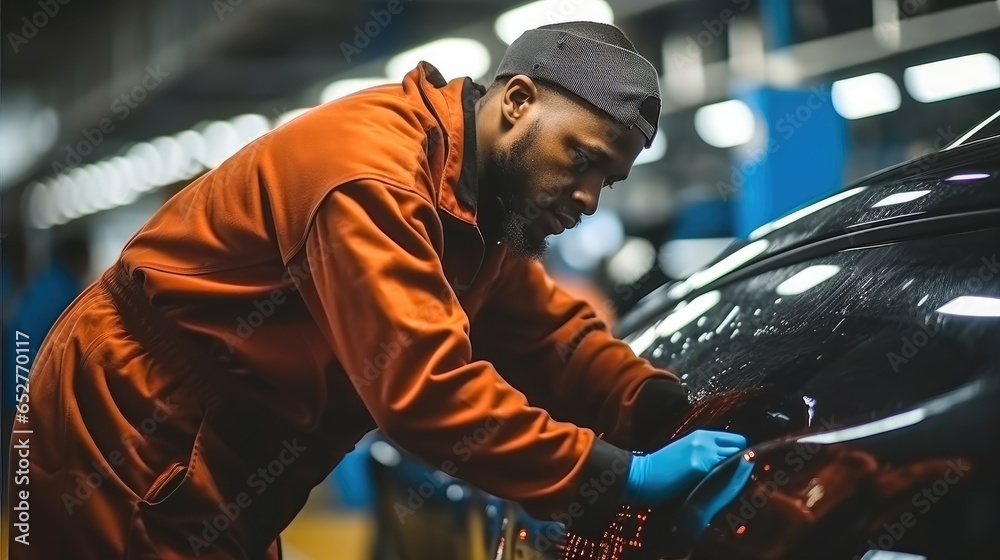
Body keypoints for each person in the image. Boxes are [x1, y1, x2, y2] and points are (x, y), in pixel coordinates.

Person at [6, 22, 746, 559]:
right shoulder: (374, 180)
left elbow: (549, 337)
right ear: (516, 101)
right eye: (579, 158)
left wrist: (661, 413)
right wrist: (618, 477)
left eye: (606, 179)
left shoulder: (480, 207)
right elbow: (425, 392)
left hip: (224, 444)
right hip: (131, 423)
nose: (588, 197)